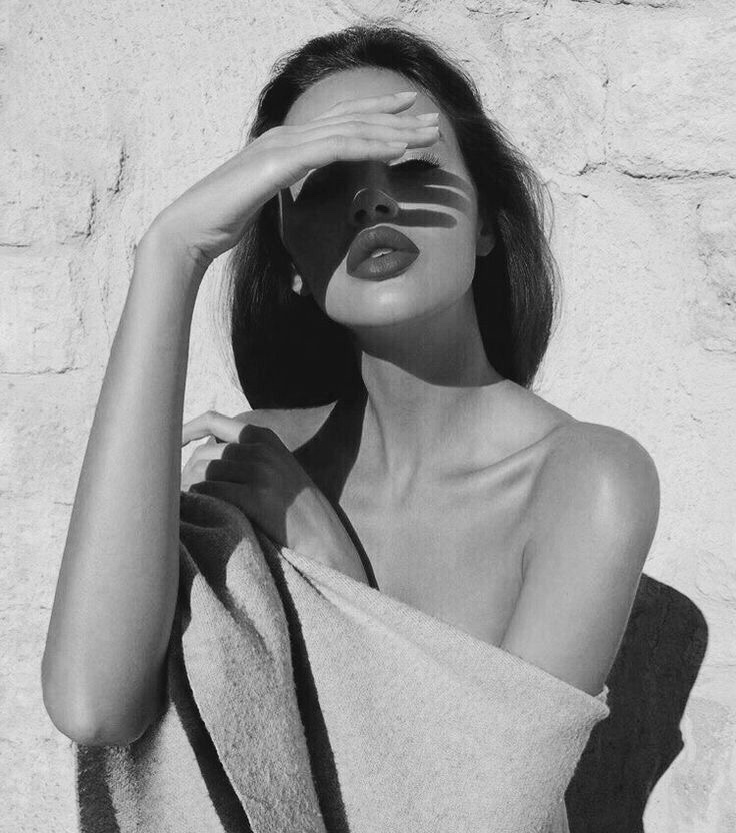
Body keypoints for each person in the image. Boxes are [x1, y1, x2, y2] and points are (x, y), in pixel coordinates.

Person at [42, 18, 659, 772]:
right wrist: (171, 252)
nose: (372, 201)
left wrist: (333, 573)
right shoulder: (253, 467)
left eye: (414, 167)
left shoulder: (585, 480)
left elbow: (490, 803)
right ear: (290, 259)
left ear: (487, 224)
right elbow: (94, 706)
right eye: (327, 179)